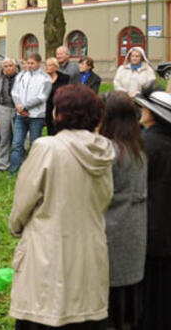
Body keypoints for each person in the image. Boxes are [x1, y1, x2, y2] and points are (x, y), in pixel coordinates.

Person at [9, 84, 114, 329]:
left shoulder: (48, 148)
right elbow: (106, 197)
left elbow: (24, 201)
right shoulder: (102, 150)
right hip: (90, 249)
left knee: (47, 311)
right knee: (82, 315)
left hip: (48, 249)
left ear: (60, 114)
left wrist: (16, 226)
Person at [98, 91, 147, 330]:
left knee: (112, 301)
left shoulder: (109, 151)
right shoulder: (138, 148)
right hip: (135, 230)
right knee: (129, 299)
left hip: (111, 232)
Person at [134, 86, 171, 329]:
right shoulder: (163, 141)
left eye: (144, 108)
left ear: (153, 113)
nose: (141, 111)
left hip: (151, 224)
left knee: (150, 288)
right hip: (167, 223)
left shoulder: (147, 143)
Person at [9, 53, 51, 174]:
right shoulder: (21, 75)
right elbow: (14, 92)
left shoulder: (45, 78)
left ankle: (33, 172)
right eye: (27, 63)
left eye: (32, 63)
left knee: (34, 145)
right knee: (16, 144)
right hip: (20, 115)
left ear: (39, 63)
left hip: (36, 116)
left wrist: (26, 107)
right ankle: (13, 171)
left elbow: (43, 97)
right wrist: (19, 107)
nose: (29, 65)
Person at [0, 58, 17, 172]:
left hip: (17, 109)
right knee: (4, 138)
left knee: (18, 138)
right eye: (5, 66)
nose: (8, 68)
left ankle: (18, 163)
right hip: (3, 108)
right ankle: (3, 164)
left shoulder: (21, 79)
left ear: (15, 67)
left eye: (10, 65)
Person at [44, 57, 70, 136]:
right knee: (50, 132)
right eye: (46, 65)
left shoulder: (64, 78)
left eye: (50, 65)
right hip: (47, 108)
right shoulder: (43, 79)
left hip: (59, 108)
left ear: (56, 67)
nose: (47, 67)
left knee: (60, 132)